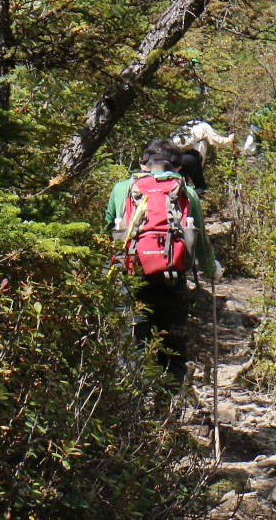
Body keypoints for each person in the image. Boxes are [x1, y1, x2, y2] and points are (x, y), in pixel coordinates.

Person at [106, 140, 217, 380]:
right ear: (178, 168)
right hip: (171, 278)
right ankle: (168, 404)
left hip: (131, 277)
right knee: (173, 351)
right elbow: (199, 240)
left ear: (143, 165)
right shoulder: (185, 192)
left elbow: (108, 228)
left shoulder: (122, 189)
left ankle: (135, 405)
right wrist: (212, 270)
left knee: (132, 348)